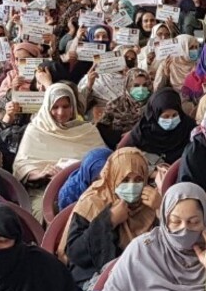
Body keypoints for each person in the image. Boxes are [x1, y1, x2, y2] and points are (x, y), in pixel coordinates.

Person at [59, 147, 159, 285]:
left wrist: (161, 208)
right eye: (124, 180)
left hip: (138, 275)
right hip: (94, 278)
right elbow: (75, 253)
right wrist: (108, 220)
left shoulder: (149, 204)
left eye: (138, 180)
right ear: (112, 177)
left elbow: (165, 244)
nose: (132, 186)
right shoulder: (93, 203)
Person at [13, 83, 105, 220]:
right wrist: (40, 173)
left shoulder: (88, 131)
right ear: (47, 107)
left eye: (65, 107)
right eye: (55, 107)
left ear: (73, 106)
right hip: (45, 189)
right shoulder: (36, 130)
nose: (61, 113)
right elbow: (21, 166)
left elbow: (103, 161)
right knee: (42, 212)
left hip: (85, 186)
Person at [125, 88, 196, 166]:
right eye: (166, 116)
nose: (171, 120)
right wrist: (152, 172)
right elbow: (128, 159)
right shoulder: (142, 132)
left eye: (174, 115)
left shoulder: (189, 128)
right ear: (155, 116)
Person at [97, 69, 154, 147]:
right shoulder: (114, 105)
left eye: (144, 85)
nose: (141, 89)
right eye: (136, 86)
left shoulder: (155, 104)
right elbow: (102, 130)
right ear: (128, 85)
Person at [57, 147, 113, 213]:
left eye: (108, 175)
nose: (102, 182)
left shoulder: (112, 178)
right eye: (97, 179)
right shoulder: (69, 198)